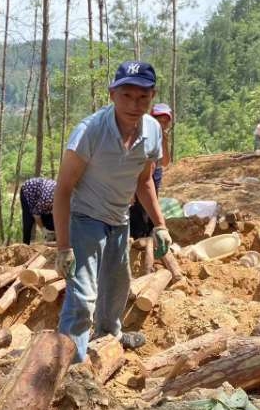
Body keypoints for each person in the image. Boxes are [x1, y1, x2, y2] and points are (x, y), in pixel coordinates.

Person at [53, 61, 173, 362]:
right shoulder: (90, 131)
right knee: (82, 298)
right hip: (85, 219)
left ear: (152, 95)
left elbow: (144, 181)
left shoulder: (153, 130)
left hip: (119, 220)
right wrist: (64, 247)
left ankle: (109, 334)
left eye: (142, 97)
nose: (134, 104)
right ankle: (70, 364)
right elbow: (63, 188)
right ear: (112, 95)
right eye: (126, 96)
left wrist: (160, 225)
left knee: (117, 287)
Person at [129, 103, 172, 239]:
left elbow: (165, 162)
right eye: (159, 120)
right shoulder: (142, 134)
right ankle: (136, 239)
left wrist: (164, 141)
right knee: (136, 208)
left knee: (150, 205)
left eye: (165, 121)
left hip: (155, 173)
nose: (162, 124)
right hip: (137, 174)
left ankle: (150, 238)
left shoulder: (162, 137)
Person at [20, 177, 56, 244]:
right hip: (27, 191)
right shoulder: (46, 200)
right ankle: (25, 245)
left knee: (51, 221)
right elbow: (36, 214)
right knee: (28, 222)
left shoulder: (65, 200)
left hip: (42, 192)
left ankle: (51, 242)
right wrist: (43, 229)